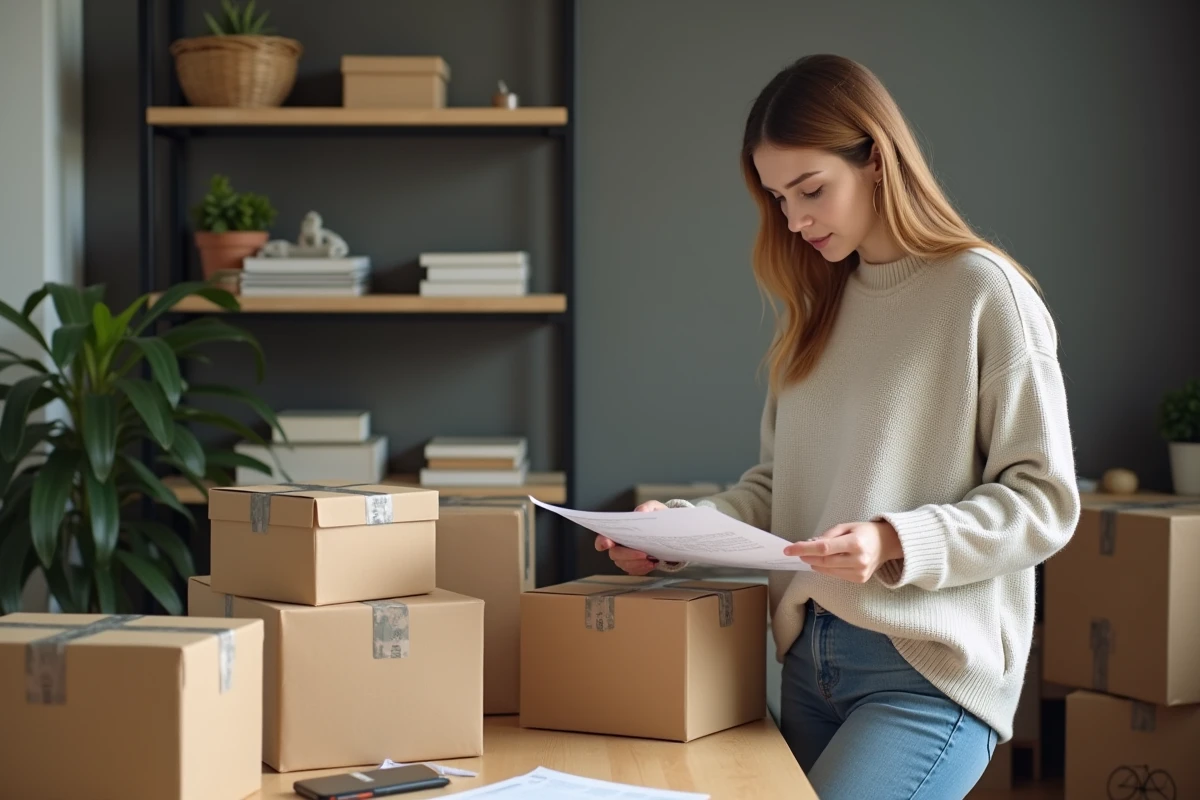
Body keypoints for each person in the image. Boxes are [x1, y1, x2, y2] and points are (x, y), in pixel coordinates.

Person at [595, 54, 1081, 800]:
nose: (794, 219)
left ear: (876, 159)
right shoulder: (817, 309)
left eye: (811, 189)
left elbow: (1044, 501)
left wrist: (892, 540)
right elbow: (777, 488)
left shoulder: (984, 294)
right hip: (805, 662)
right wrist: (676, 534)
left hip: (927, 669)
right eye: (777, 198)